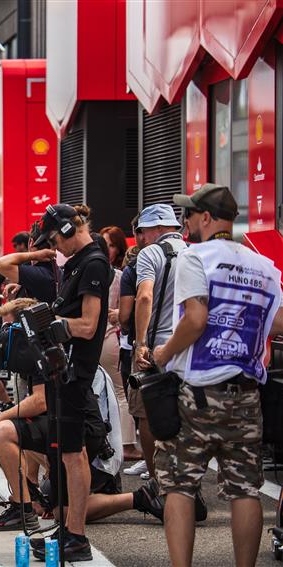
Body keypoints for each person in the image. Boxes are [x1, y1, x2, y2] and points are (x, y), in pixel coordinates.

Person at [153, 184, 283, 567]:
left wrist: (164, 352)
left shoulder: (195, 258)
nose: (186, 223)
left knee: (180, 485)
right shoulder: (264, 266)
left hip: (198, 391)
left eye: (189, 215)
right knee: (245, 489)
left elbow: (195, 319)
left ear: (206, 218)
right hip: (246, 395)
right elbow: (277, 322)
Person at [0, 299, 163, 533]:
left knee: (4, 429)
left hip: (96, 448)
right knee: (55, 509)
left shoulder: (46, 352)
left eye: (9, 328)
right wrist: (31, 486)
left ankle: (139, 497)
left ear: (24, 327)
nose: (3, 336)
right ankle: (27, 504)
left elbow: (39, 402)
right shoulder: (30, 357)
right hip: (69, 437)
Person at [28, 203, 111, 561]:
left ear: (65, 230)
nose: (54, 247)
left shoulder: (93, 262)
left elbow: (89, 324)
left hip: (77, 372)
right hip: (61, 369)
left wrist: (52, 324)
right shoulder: (76, 261)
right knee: (63, 452)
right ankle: (68, 528)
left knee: (74, 455)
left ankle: (77, 535)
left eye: (53, 239)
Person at [132, 204, 187, 485]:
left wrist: (141, 342)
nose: (142, 237)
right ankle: (187, 479)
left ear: (155, 228)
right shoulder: (195, 253)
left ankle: (158, 481)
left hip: (159, 348)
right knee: (186, 413)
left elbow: (144, 297)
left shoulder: (151, 253)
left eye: (142, 231)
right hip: (190, 345)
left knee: (151, 414)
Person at [96, 226, 135, 464]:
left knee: (112, 391)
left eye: (111, 245)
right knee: (120, 392)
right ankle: (126, 444)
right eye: (105, 244)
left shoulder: (111, 274)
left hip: (107, 338)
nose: (107, 249)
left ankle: (117, 441)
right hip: (110, 337)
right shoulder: (118, 276)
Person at [118, 219, 146, 463]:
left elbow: (127, 313)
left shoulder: (133, 270)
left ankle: (153, 469)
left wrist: (138, 339)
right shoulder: (187, 259)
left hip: (140, 346)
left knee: (143, 408)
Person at [0, 223, 59, 305]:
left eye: (15, 245)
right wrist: (22, 285)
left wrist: (34, 255)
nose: (15, 249)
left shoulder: (40, 273)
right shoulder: (54, 270)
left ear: (30, 242)